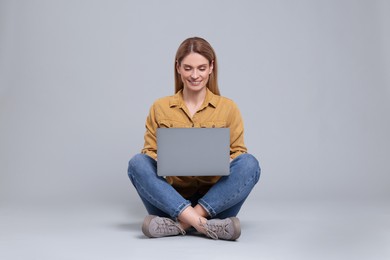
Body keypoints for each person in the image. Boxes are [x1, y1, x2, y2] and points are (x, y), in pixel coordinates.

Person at [127, 37, 261, 241]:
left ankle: (180, 225)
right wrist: (167, 159)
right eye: (188, 68)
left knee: (250, 164)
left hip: (216, 201)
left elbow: (239, 153)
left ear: (211, 68)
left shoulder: (228, 108)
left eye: (201, 68)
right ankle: (207, 227)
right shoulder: (160, 107)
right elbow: (150, 153)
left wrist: (223, 161)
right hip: (170, 200)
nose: (195, 75)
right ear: (178, 68)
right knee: (137, 163)